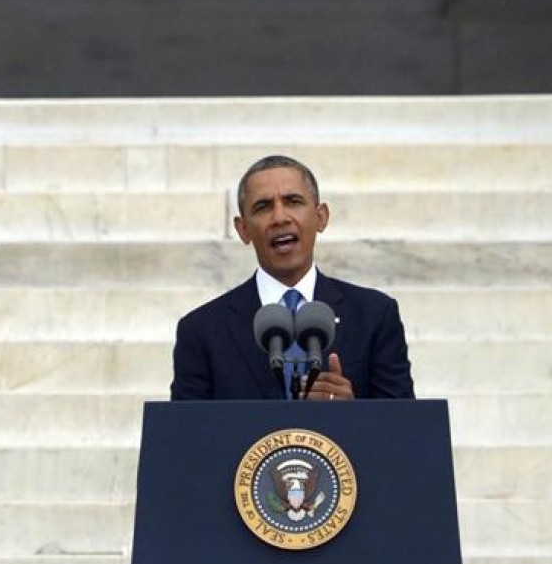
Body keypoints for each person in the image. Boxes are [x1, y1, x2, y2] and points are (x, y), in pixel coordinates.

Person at [170, 155, 414, 401]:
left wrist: (352, 415)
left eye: (293, 201)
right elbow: (186, 435)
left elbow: (405, 429)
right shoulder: (201, 330)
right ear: (243, 229)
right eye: (263, 207)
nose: (280, 218)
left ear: (321, 217)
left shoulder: (374, 315)